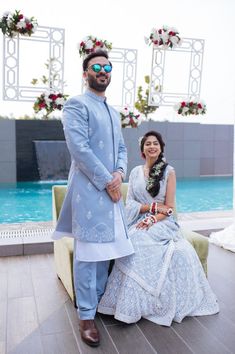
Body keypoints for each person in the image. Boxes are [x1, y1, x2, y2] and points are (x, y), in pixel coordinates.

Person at [52, 49, 134, 347]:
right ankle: (85, 316)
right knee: (88, 256)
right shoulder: (76, 104)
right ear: (85, 73)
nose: (103, 70)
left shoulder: (114, 112)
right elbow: (79, 148)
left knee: (106, 252)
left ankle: (97, 302)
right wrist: (106, 181)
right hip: (89, 193)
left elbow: (122, 149)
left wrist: (120, 175)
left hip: (111, 192)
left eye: (107, 66)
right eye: (96, 66)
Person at [98, 130, 219, 325]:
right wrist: (150, 208)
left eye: (155, 143)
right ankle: (131, 301)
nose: (152, 146)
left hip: (163, 221)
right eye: (148, 144)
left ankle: (150, 299)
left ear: (161, 148)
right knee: (133, 240)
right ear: (142, 151)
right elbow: (129, 205)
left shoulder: (169, 172)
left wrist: (153, 218)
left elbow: (169, 208)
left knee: (144, 240)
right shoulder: (135, 172)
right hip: (138, 218)